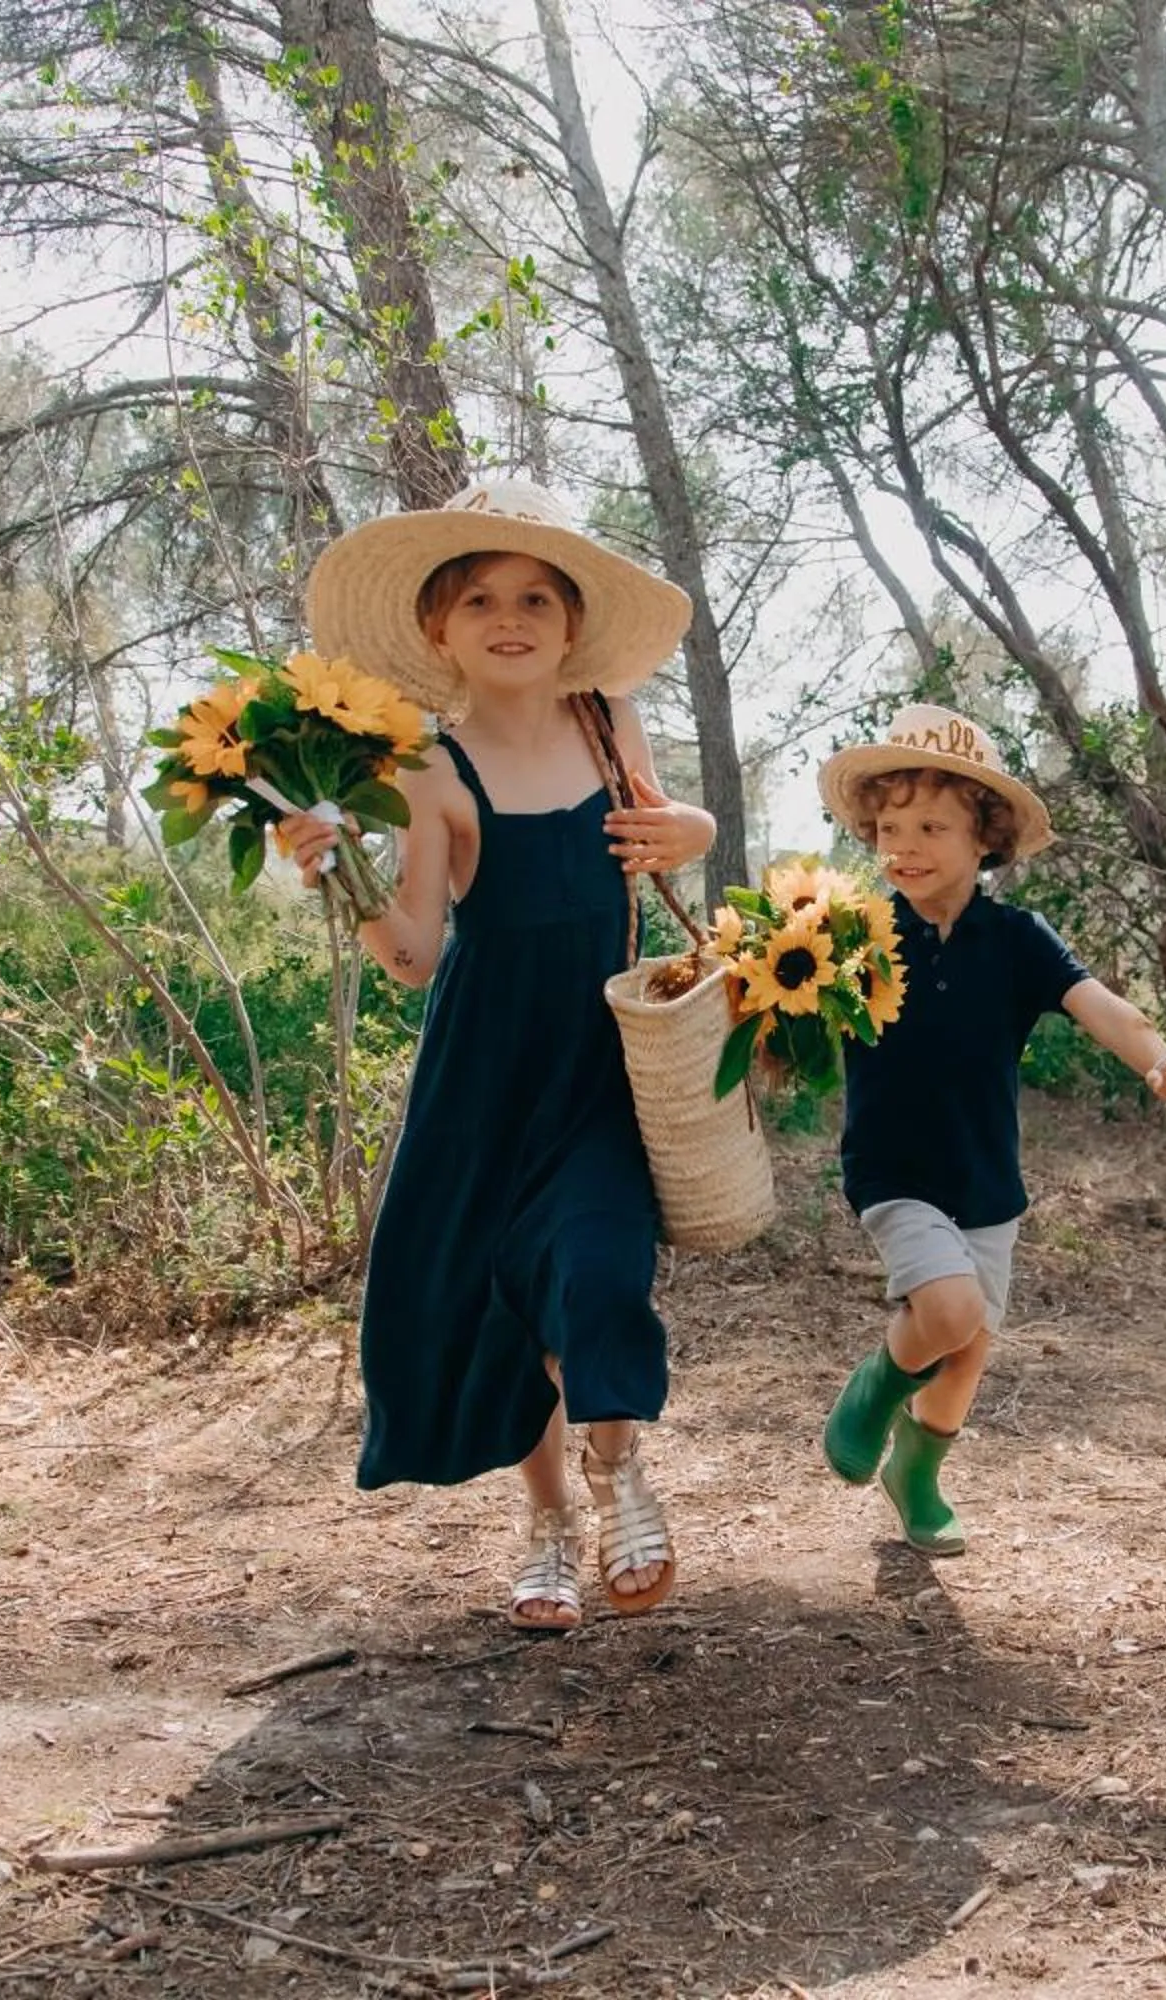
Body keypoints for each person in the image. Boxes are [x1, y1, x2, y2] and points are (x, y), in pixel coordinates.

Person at [284, 478, 714, 1629]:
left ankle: (617, 1471)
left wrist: (702, 829)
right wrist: (341, 875)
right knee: (501, 1305)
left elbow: (668, 832)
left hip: (601, 1060)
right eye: (479, 598)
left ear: (572, 623)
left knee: (597, 1264)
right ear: (439, 627)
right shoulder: (428, 767)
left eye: (534, 595)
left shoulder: (607, 722)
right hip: (484, 1070)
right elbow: (416, 951)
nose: (509, 616)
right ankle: (548, 1524)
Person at [813, 705, 1166, 1554]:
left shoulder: (1016, 939)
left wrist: (1161, 1064)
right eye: (890, 826)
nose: (906, 843)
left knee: (968, 1347)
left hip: (985, 1182)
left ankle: (918, 1472)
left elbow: (1101, 1008)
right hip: (893, 1169)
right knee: (946, 1308)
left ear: (986, 837)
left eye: (932, 824)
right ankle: (873, 1388)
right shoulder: (854, 934)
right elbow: (768, 991)